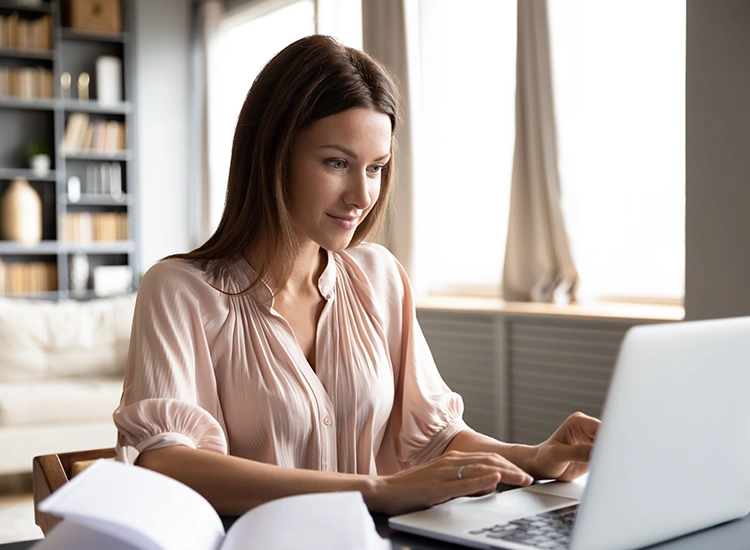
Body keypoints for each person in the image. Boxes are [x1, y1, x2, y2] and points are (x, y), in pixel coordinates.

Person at [113, 34, 599, 518]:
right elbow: (169, 464)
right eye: (337, 163)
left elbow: (435, 438)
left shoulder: (380, 276)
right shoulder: (179, 290)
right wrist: (375, 489)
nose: (362, 195)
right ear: (273, 154)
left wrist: (536, 458)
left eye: (376, 167)